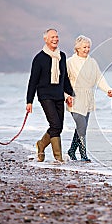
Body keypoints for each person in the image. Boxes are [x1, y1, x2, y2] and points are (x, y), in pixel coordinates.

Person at [26, 28, 74, 163]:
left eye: (57, 37)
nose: (55, 39)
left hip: (59, 95)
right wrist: (29, 101)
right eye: (52, 37)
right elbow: (33, 81)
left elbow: (64, 78)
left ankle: (41, 144)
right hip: (45, 96)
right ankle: (58, 158)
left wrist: (69, 94)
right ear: (45, 39)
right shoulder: (39, 58)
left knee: (58, 127)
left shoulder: (62, 56)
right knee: (55, 124)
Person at [66, 35, 112, 162]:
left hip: (88, 97)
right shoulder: (70, 62)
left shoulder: (92, 62)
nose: (87, 49)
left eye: (88, 47)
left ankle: (71, 150)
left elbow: (99, 78)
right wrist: (66, 96)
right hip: (74, 97)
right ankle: (83, 155)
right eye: (84, 47)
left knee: (83, 126)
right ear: (78, 48)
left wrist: (108, 89)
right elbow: (64, 81)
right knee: (81, 124)